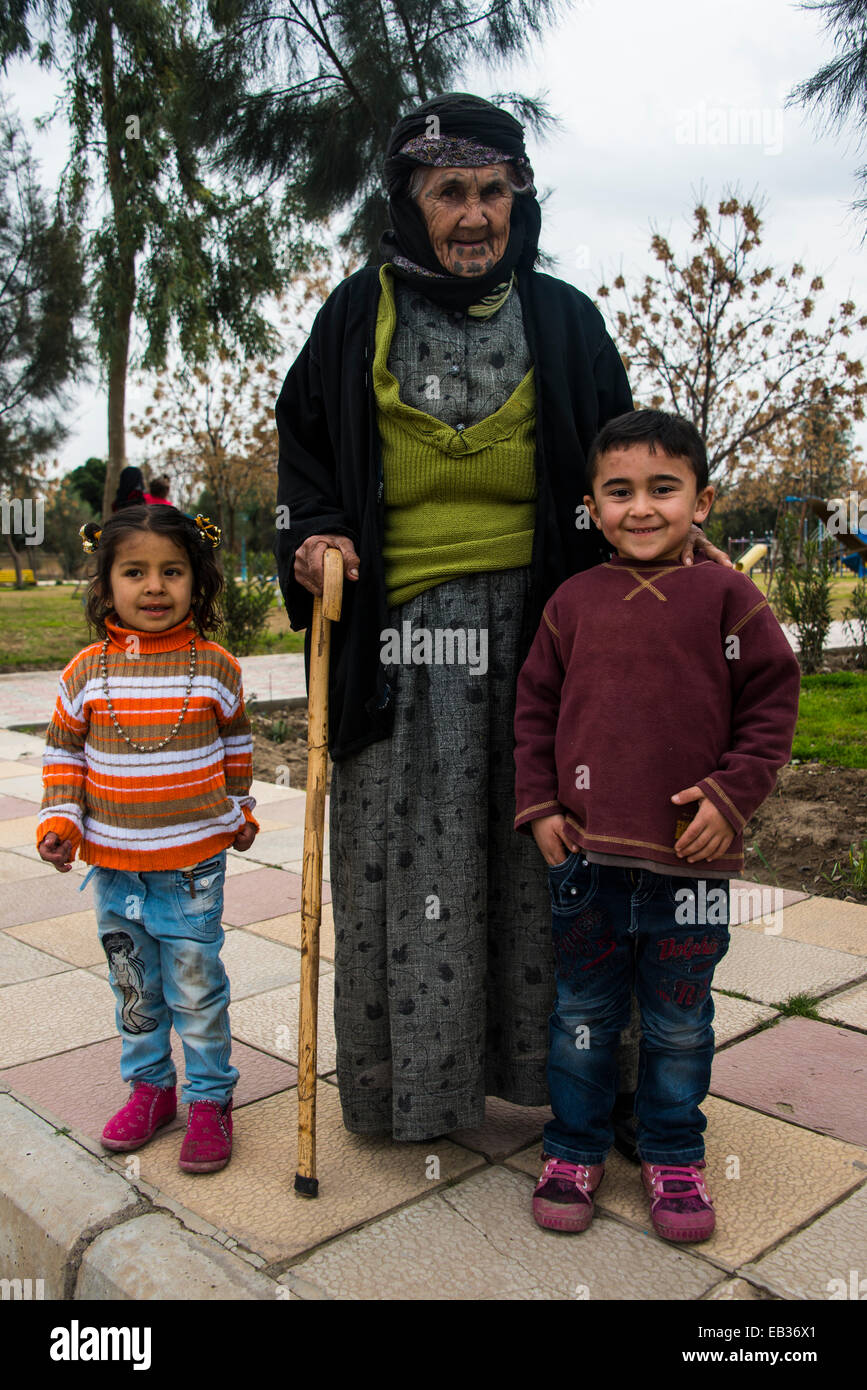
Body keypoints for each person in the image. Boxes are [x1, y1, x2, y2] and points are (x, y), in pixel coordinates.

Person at [275, 91, 733, 1146]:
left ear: (518, 199)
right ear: (411, 203)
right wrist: (316, 538)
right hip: (399, 646)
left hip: (549, 633)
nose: (473, 214)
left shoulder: (565, 317)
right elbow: (302, 456)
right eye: (450, 193)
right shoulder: (355, 315)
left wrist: (664, 532)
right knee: (412, 866)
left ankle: (578, 1086)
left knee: (558, 857)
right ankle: (413, 1092)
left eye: (492, 191)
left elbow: (619, 453)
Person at [513, 410, 801, 1241]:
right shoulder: (572, 603)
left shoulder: (728, 600)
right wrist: (539, 809)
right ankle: (572, 1147)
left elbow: (770, 707)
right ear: (592, 506)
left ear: (701, 500)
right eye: (619, 492)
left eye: (662, 489)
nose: (641, 508)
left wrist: (729, 797)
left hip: (691, 867)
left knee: (678, 1024)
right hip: (586, 862)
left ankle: (673, 1155)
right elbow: (533, 713)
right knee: (582, 1015)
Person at [36, 505, 259, 1172]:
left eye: (172, 571)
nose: (155, 587)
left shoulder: (215, 667)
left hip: (192, 867)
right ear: (106, 584)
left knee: (195, 987)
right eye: (134, 572)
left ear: (198, 581)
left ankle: (210, 1100)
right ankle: (152, 1090)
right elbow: (63, 756)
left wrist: (240, 809)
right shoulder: (85, 673)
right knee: (135, 986)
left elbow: (237, 745)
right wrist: (59, 821)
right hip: (114, 869)